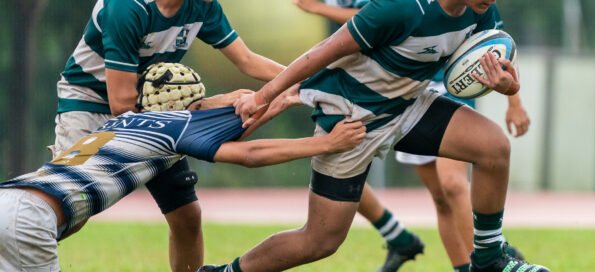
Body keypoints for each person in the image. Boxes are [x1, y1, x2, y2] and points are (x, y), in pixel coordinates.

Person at [205, 0, 550, 271]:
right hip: (352, 116)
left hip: (409, 105)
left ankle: (489, 256)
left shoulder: (481, 13)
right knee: (320, 241)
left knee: (493, 146)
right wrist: (263, 97)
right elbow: (319, 54)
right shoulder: (400, 7)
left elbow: (481, 67)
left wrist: (507, 88)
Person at [0, 88, 366, 272]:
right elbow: (250, 155)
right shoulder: (174, 129)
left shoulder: (123, 123)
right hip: (31, 219)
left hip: (11, 197)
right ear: (191, 107)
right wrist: (325, 143)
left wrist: (279, 100)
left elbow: (226, 127)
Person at [292, 0, 530, 271]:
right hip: (406, 86)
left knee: (454, 184)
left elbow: (498, 49)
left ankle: (488, 255)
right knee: (441, 198)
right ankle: (449, 259)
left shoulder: (480, 6)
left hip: (449, 88)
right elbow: (368, 25)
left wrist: (514, 99)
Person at [52, 0, 285, 271]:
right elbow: (122, 105)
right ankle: (15, 239)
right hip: (89, 103)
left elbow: (246, 60)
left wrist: (307, 84)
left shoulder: (203, 5)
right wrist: (207, 105)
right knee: (70, 210)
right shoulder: (126, 7)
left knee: (186, 216)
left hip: (156, 109)